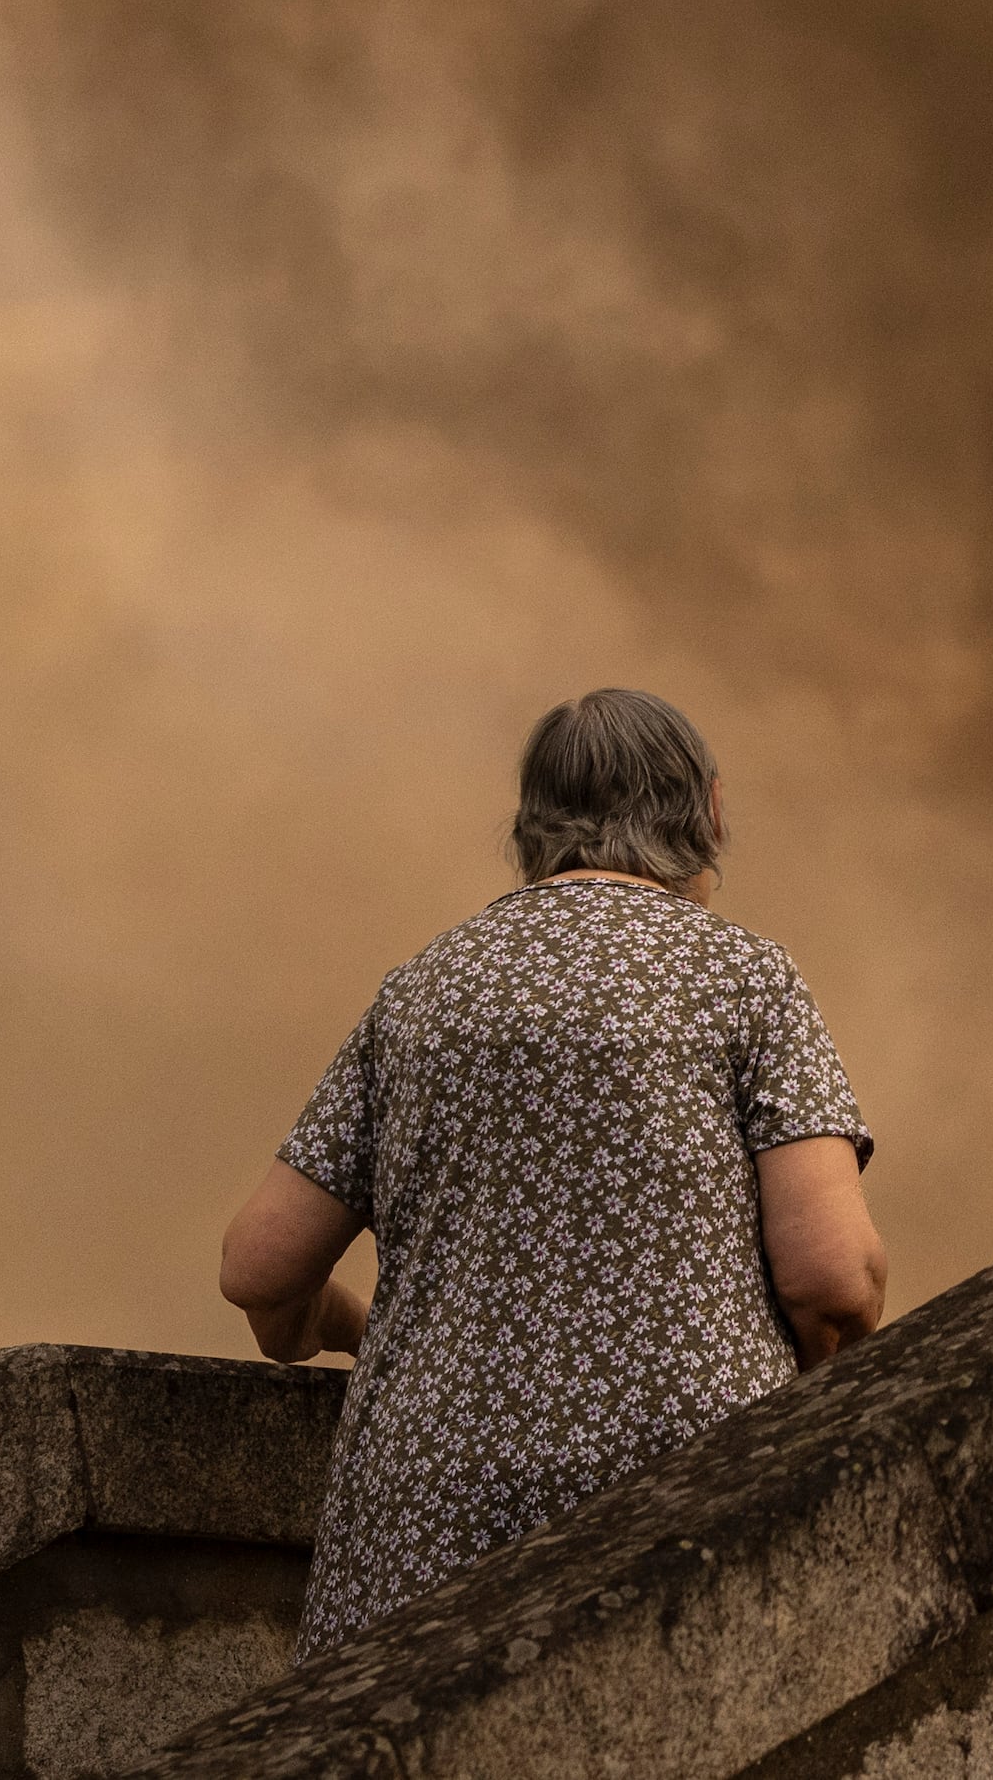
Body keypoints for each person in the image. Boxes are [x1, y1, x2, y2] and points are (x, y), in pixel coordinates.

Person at [214, 688, 886, 1655]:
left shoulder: (421, 992)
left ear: (530, 826)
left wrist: (368, 1336)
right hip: (685, 1495)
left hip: (426, 1505)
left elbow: (261, 1271)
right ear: (708, 812)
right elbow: (834, 1280)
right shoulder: (746, 978)